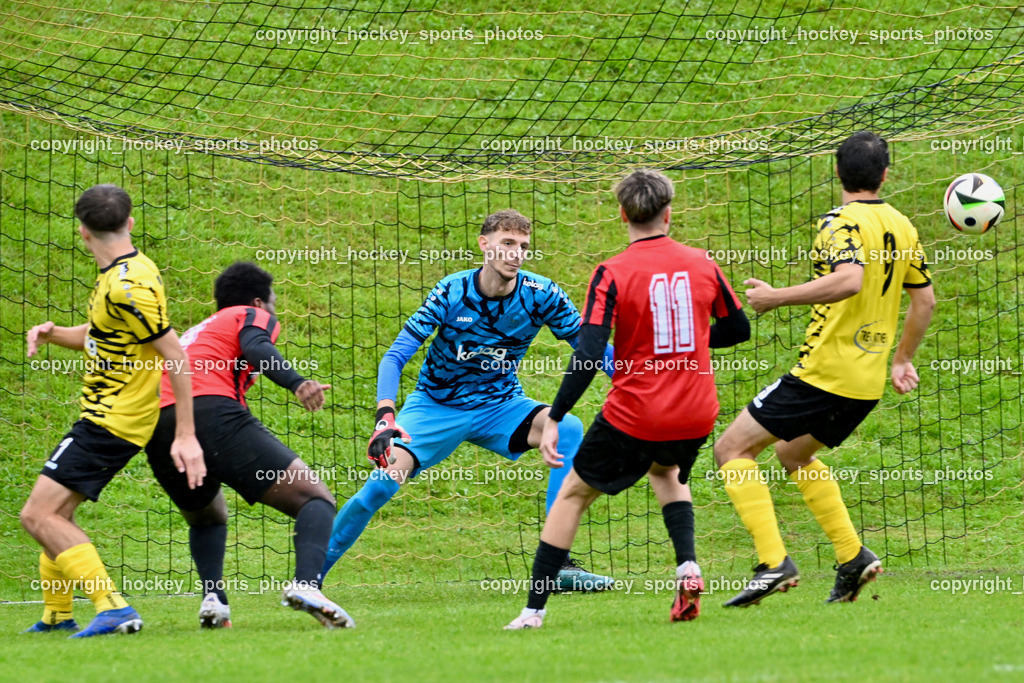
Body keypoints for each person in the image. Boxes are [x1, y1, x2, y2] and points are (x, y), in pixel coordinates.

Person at [505, 169, 750, 629]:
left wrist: (555, 416)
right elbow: (738, 330)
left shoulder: (612, 272)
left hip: (638, 412)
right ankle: (688, 567)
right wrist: (688, 339)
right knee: (668, 471)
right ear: (668, 213)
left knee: (572, 496)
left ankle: (533, 611)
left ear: (622, 214)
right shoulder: (703, 262)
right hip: (696, 411)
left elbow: (588, 353)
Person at [322, 209, 616, 591]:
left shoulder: (541, 295)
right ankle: (311, 575)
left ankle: (556, 566)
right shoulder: (451, 291)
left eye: (523, 246)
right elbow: (395, 356)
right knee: (379, 487)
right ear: (485, 244)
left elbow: (590, 349)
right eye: (507, 243)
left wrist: (634, 379)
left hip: (500, 407)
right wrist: (385, 416)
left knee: (569, 428)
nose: (516, 253)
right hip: (434, 407)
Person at [715, 131, 935, 607]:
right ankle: (853, 556)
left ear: (836, 172)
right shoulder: (904, 224)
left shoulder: (840, 223)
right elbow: (926, 301)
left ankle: (773, 562)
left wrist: (775, 297)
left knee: (731, 449)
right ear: (885, 174)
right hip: (866, 382)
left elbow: (849, 280)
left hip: (824, 373)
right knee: (793, 455)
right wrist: (902, 359)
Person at [21, 184, 204, 637]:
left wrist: (186, 434)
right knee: (57, 514)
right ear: (131, 223)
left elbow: (175, 354)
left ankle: (114, 607)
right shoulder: (131, 271)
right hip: (111, 416)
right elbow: (106, 332)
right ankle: (57, 615)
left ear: (82, 232)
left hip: (112, 420)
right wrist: (55, 333)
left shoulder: (126, 287)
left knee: (36, 515)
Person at [145, 261, 353, 628]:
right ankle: (307, 585)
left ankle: (214, 600)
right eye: (273, 302)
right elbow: (256, 346)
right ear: (260, 301)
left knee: (208, 516)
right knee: (315, 498)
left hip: (158, 426)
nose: (274, 311)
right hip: (211, 415)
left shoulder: (198, 332)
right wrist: (296, 382)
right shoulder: (249, 314)